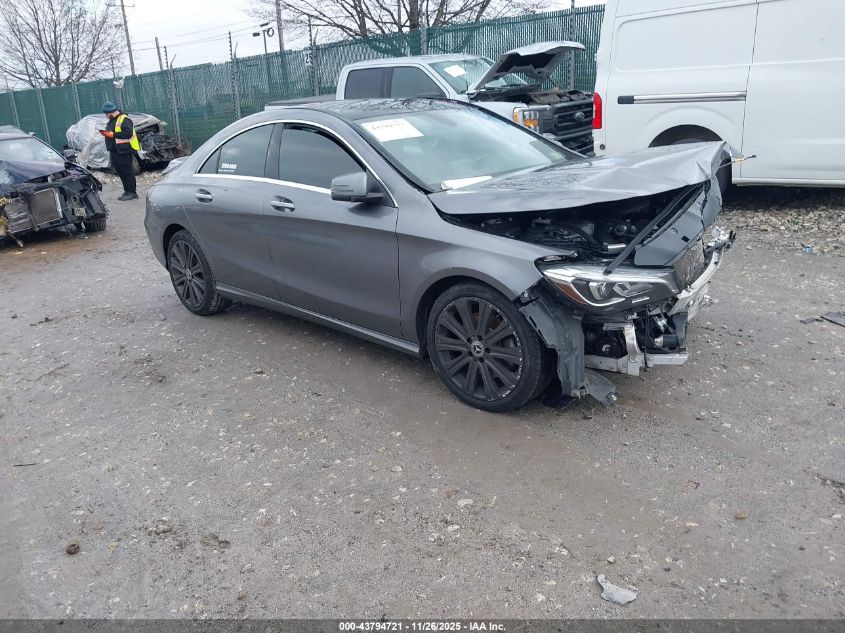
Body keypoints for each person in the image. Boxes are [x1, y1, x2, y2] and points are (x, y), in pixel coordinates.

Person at [100, 102, 140, 201]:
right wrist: (106, 133)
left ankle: (132, 192)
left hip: (124, 150)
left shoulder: (124, 119)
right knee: (121, 172)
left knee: (127, 172)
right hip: (115, 151)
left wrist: (112, 135)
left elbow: (128, 133)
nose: (106, 116)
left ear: (110, 112)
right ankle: (127, 191)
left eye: (106, 114)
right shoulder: (112, 120)